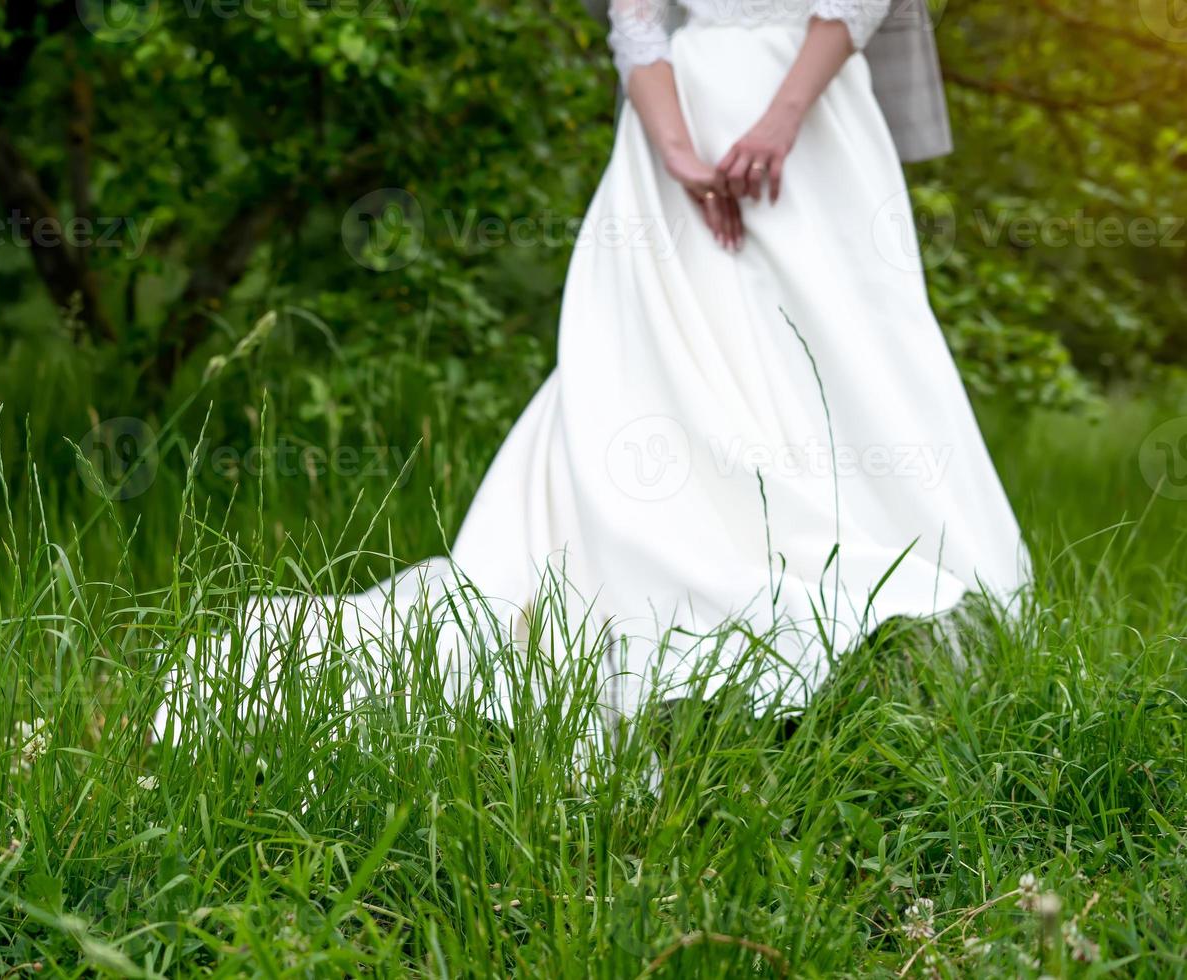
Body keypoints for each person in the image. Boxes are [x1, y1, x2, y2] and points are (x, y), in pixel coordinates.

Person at [156, 0, 1031, 736]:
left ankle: (854, 571)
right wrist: (680, 153)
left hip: (800, 118)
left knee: (840, 335)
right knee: (658, 357)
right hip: (696, 123)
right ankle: (697, 573)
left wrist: (769, 121)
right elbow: (636, 16)